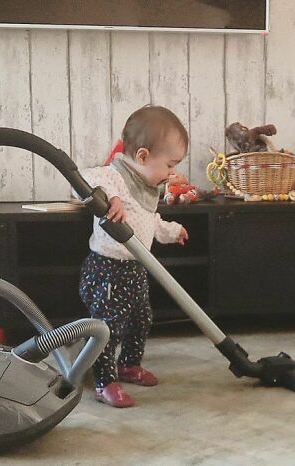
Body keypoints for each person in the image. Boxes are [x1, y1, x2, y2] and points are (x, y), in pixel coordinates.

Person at [77, 105, 189, 408]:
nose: (171, 173)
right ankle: (104, 381)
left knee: (141, 319)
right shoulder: (114, 176)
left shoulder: (145, 187)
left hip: (136, 269)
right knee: (107, 327)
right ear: (142, 156)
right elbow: (84, 179)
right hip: (107, 270)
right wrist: (109, 197)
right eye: (169, 165)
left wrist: (172, 231)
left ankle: (128, 365)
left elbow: (147, 222)